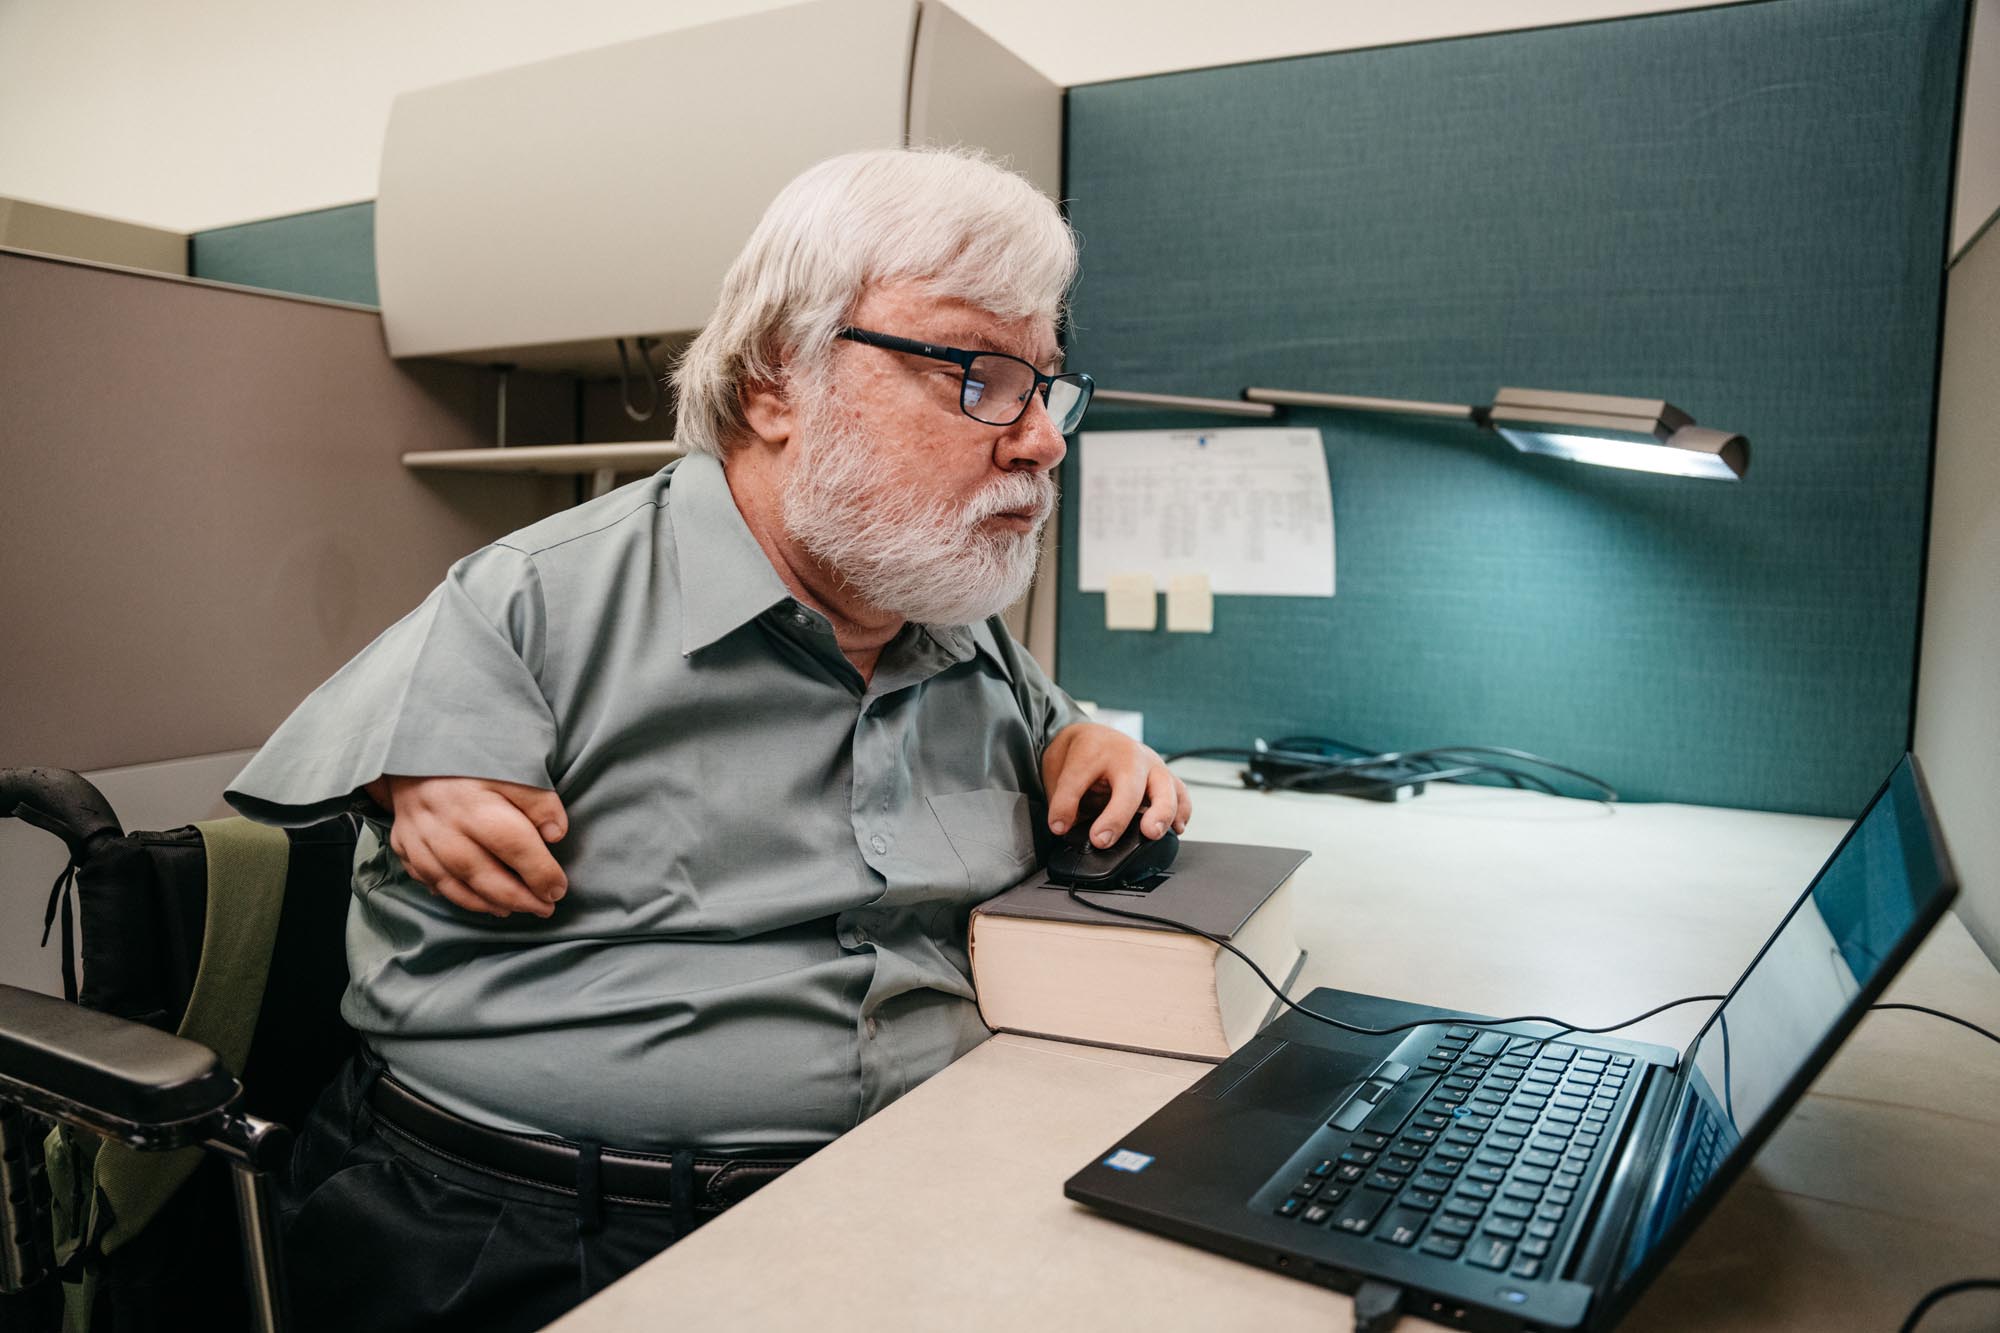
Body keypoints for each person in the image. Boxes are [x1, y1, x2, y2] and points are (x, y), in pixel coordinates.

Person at [225, 146, 1191, 1332]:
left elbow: (1053, 733)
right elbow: (320, 762)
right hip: (533, 1233)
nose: (1040, 440)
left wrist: (1086, 745)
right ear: (778, 382)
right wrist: (409, 769)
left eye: (1044, 386)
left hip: (912, 1195)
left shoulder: (957, 624)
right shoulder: (533, 595)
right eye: (979, 376)